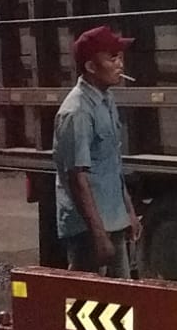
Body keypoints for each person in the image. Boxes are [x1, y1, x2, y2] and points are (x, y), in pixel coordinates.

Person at [55, 25, 142, 277]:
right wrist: (98, 234)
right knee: (89, 296)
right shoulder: (77, 112)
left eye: (120, 57)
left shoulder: (106, 100)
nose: (120, 65)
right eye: (112, 58)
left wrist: (128, 212)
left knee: (120, 295)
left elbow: (111, 166)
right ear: (91, 67)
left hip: (112, 221)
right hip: (89, 229)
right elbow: (77, 179)